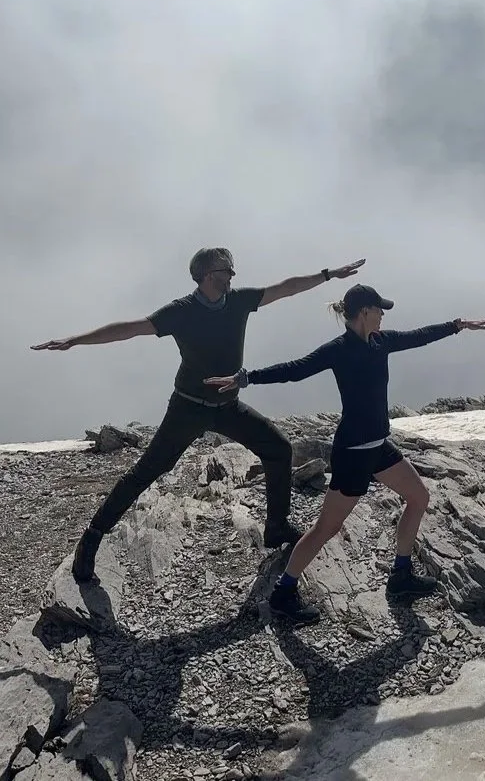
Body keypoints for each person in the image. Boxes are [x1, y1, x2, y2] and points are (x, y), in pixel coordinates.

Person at [33, 248, 365, 584]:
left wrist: (327, 275)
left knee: (278, 448)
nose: (233, 275)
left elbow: (286, 287)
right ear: (207, 274)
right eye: (227, 270)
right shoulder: (182, 311)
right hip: (187, 408)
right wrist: (76, 341)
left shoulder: (238, 301)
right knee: (148, 470)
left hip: (228, 406)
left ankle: (276, 527)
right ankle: (91, 537)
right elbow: (130, 329)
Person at [208, 283, 485, 624]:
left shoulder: (380, 342)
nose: (384, 315)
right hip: (353, 453)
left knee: (418, 497)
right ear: (364, 313)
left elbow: (419, 336)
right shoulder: (339, 350)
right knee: (327, 527)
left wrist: (457, 324)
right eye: (379, 309)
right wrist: (247, 378)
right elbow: (296, 369)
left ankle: (401, 577)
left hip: (378, 446)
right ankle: (283, 594)